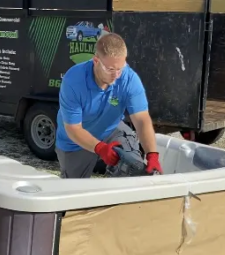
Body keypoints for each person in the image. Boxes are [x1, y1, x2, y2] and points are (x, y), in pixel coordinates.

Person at [55, 33, 162, 179]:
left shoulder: (129, 78)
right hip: (75, 141)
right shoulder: (73, 81)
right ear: (96, 61)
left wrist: (152, 154)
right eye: (110, 69)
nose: (116, 75)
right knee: (74, 191)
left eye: (120, 68)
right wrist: (100, 148)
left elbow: (142, 119)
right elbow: (73, 129)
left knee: (134, 168)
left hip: (110, 129)